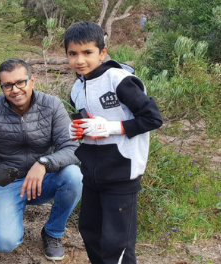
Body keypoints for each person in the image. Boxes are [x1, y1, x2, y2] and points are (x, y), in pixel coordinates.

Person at [0, 58, 83, 261]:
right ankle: (12, 215)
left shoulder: (52, 105)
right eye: (7, 85)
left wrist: (44, 163)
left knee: (74, 176)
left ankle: (52, 232)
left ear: (32, 80)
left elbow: (72, 148)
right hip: (6, 182)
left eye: (20, 82)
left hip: (43, 181)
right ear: (1, 86)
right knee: (5, 243)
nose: (15, 90)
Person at [65, 21, 163, 264]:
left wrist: (110, 127)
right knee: (90, 233)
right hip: (92, 173)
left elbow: (152, 118)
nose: (80, 60)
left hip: (122, 172)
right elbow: (87, 123)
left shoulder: (119, 80)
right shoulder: (77, 88)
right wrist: (76, 130)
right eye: (73, 53)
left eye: (88, 52)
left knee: (116, 244)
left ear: (102, 52)